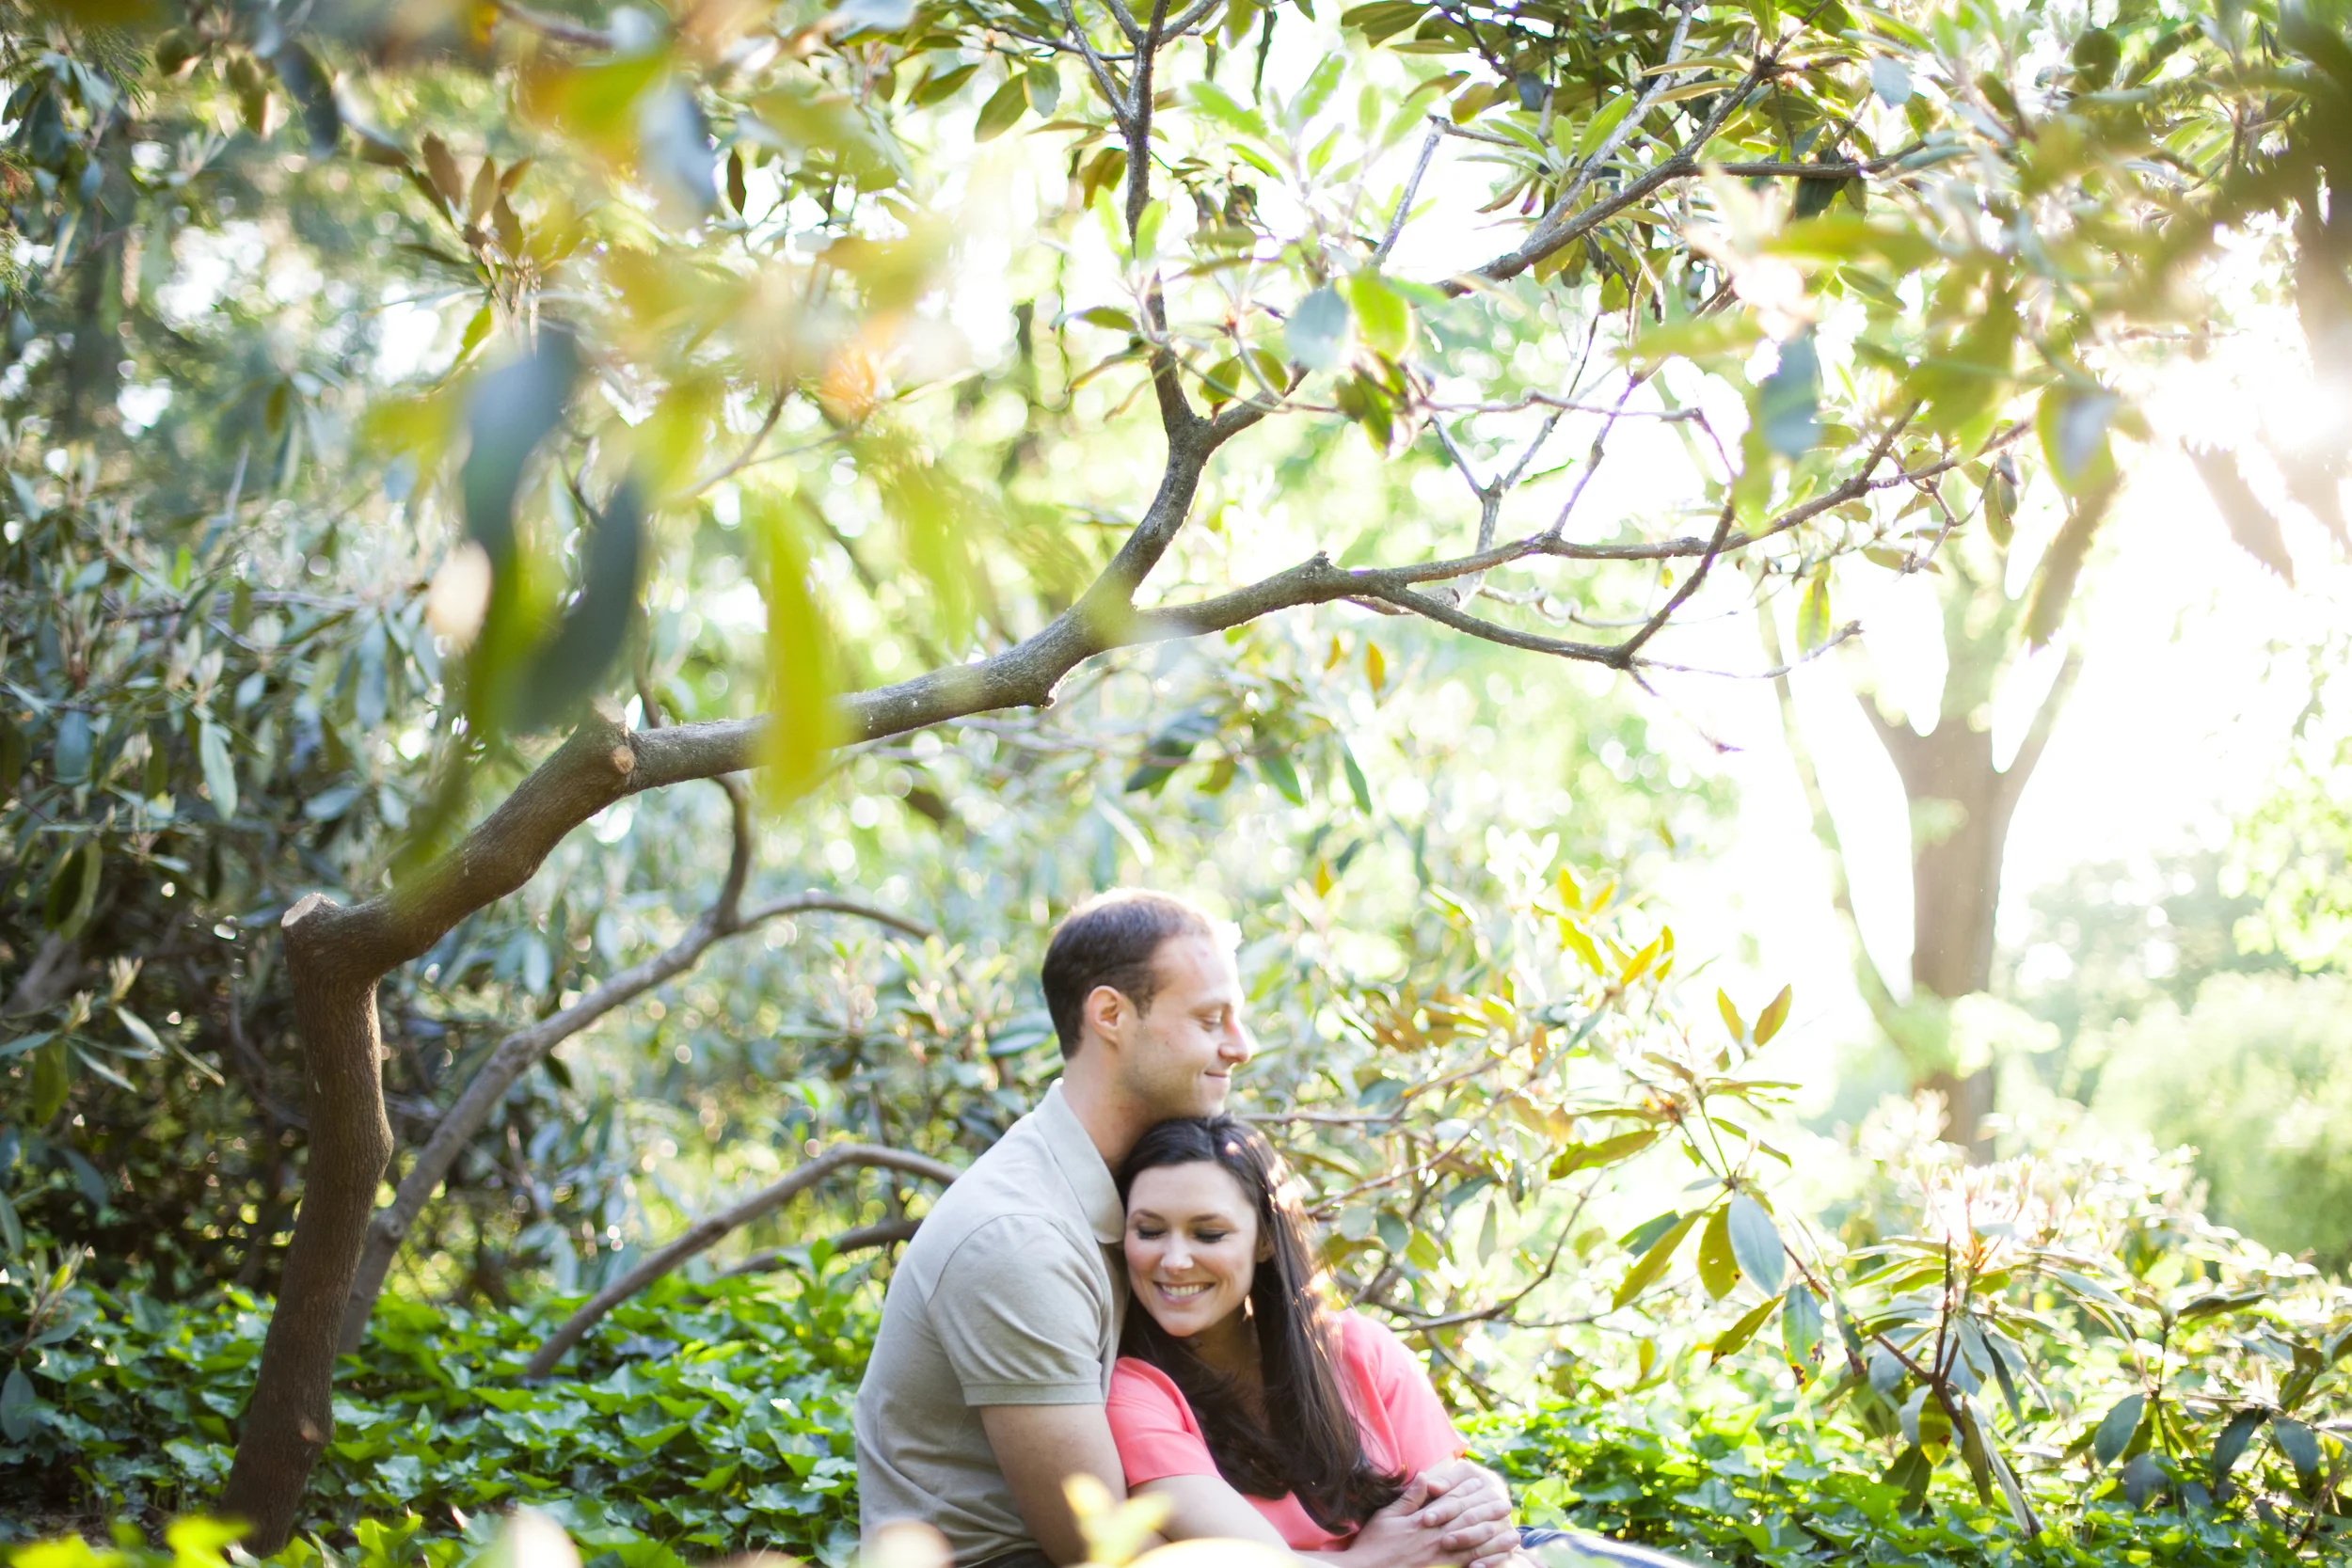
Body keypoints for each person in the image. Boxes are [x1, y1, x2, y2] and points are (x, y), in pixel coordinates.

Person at [853, 891, 1518, 1568]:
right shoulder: (1020, 1237)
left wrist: (1471, 1504)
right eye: (1210, 1018)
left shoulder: (1130, 1186)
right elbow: (1100, 1549)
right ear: (1110, 1015)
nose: (1242, 1045)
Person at [1108, 1117, 1684, 1568]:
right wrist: (1374, 1559)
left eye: (1209, 1233)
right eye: (1150, 1230)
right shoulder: (1136, 1396)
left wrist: (1484, 1498)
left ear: (1264, 1241)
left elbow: (1463, 1528)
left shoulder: (1357, 1350)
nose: (1175, 1260)